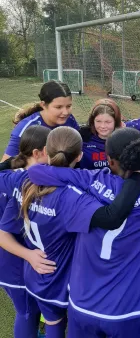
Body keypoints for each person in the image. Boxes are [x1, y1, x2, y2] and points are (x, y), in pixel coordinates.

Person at [26, 129, 140, 338]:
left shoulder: (90, 180)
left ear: (110, 161)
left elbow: (35, 173)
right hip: (128, 307)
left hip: (83, 300)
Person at [0, 126, 140, 338]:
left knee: (32, 315)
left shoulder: (24, 181)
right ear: (79, 156)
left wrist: (13, 162)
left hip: (34, 270)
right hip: (60, 278)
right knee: (55, 323)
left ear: (46, 151)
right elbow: (111, 217)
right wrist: (137, 178)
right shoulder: (73, 197)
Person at [0, 125, 53, 338]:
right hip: (12, 261)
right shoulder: (21, 182)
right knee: (27, 312)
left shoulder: (17, 176)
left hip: (22, 261)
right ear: (37, 153)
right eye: (52, 151)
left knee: (33, 310)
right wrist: (29, 255)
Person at [1, 80, 79, 162]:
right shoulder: (26, 127)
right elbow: (4, 168)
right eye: (58, 107)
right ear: (43, 105)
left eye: (68, 106)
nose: (65, 112)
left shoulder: (70, 120)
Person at [78, 99, 122, 170]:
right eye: (98, 121)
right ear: (93, 121)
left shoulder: (123, 140)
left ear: (115, 122)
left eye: (108, 122)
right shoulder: (83, 137)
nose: (103, 126)